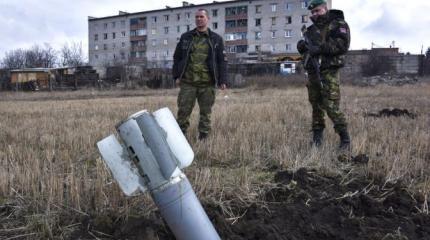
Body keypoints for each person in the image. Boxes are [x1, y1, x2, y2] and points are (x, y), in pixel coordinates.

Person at [297, 0, 351, 149]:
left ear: (325, 9)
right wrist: (302, 48)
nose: (315, 14)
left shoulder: (338, 24)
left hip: (329, 70)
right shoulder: (311, 30)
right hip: (314, 71)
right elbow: (308, 51)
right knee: (316, 105)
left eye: (318, 11)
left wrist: (319, 48)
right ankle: (317, 139)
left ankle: (345, 139)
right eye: (312, 12)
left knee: (331, 104)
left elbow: (342, 45)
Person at [173, 9, 227, 140]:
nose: (198, 19)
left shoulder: (216, 39)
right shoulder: (186, 37)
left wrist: (222, 80)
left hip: (207, 83)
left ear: (207, 18)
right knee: (183, 112)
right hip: (188, 83)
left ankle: (203, 137)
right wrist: (176, 76)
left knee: (206, 112)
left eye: (201, 17)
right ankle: (181, 137)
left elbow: (222, 61)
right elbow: (177, 57)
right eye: (197, 17)